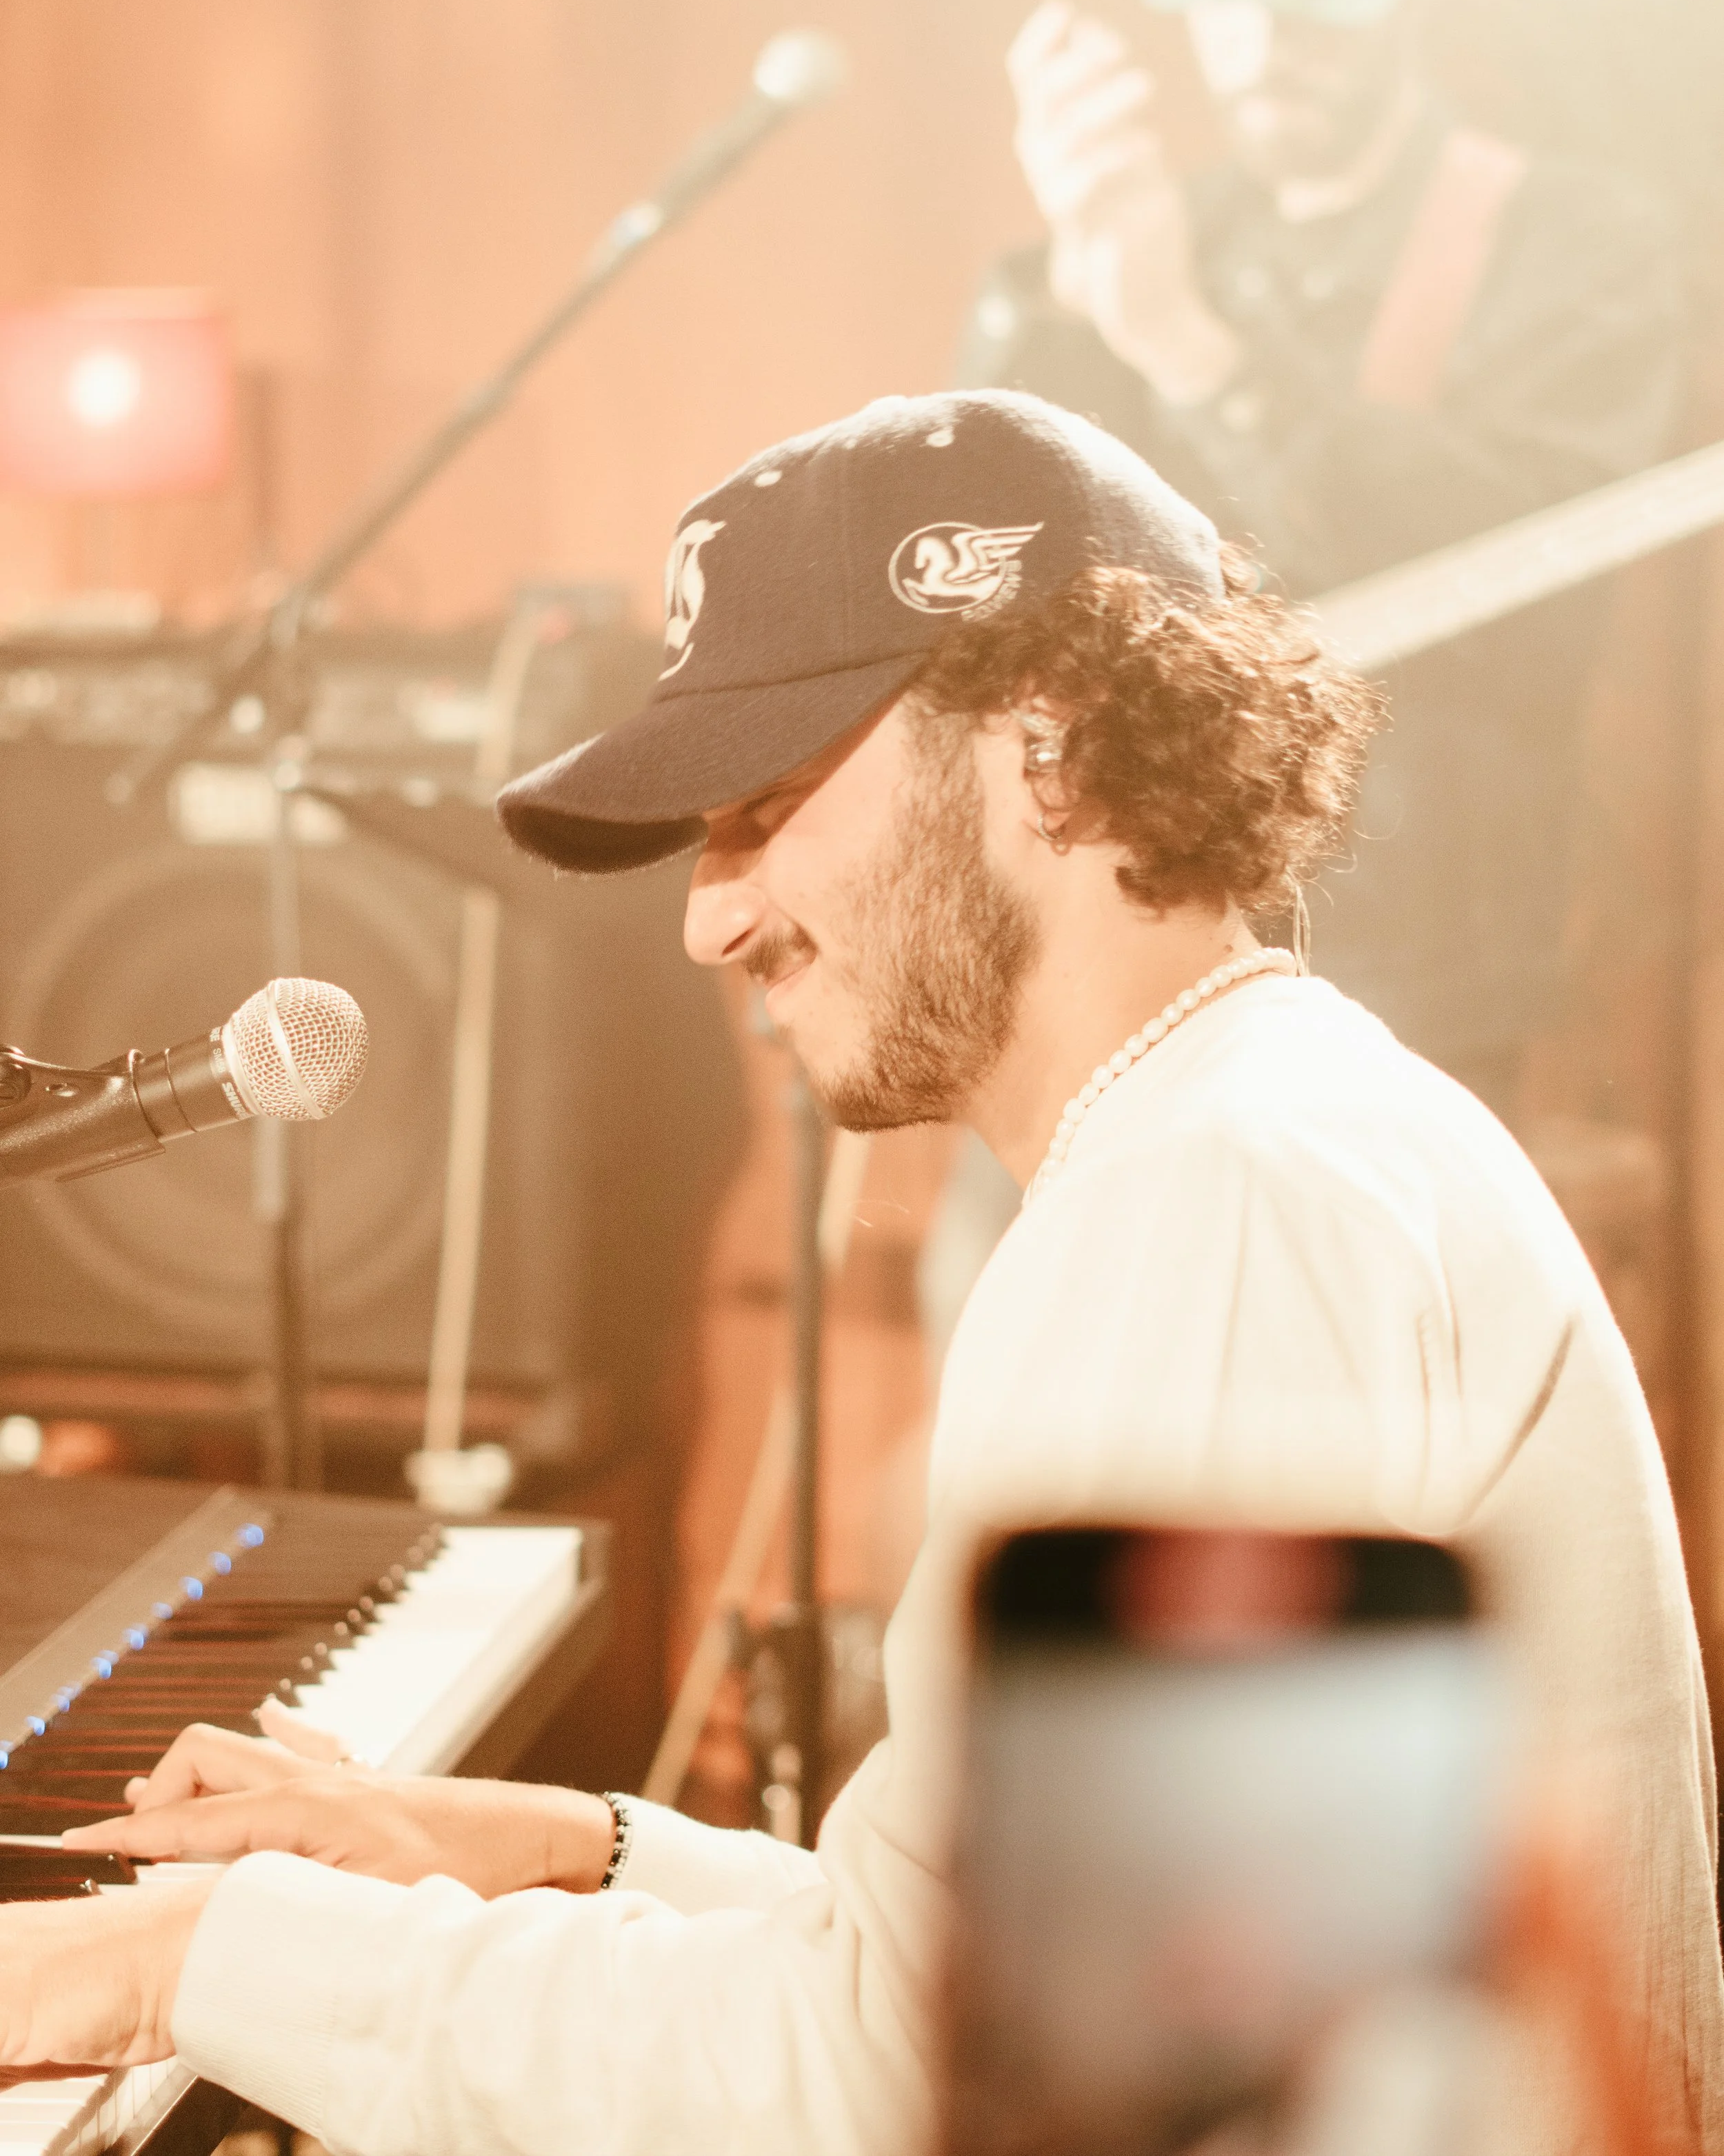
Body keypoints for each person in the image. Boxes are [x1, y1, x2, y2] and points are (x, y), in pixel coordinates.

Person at [2, 390, 1719, 2152]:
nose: (708, 916)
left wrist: (172, 1959)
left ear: (1049, 743)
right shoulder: (1252, 1136)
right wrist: (570, 1851)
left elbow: (886, 2095)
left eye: (761, 803)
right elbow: (1010, 1968)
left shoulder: (1214, 1207)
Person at [962, 0, 1689, 1112]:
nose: (1265, 40)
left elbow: (1503, 562)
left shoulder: (1572, 242)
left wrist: (1195, 352)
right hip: (1113, 945)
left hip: (1394, 975)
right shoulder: (1157, 236)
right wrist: (1060, 290)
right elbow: (992, 570)